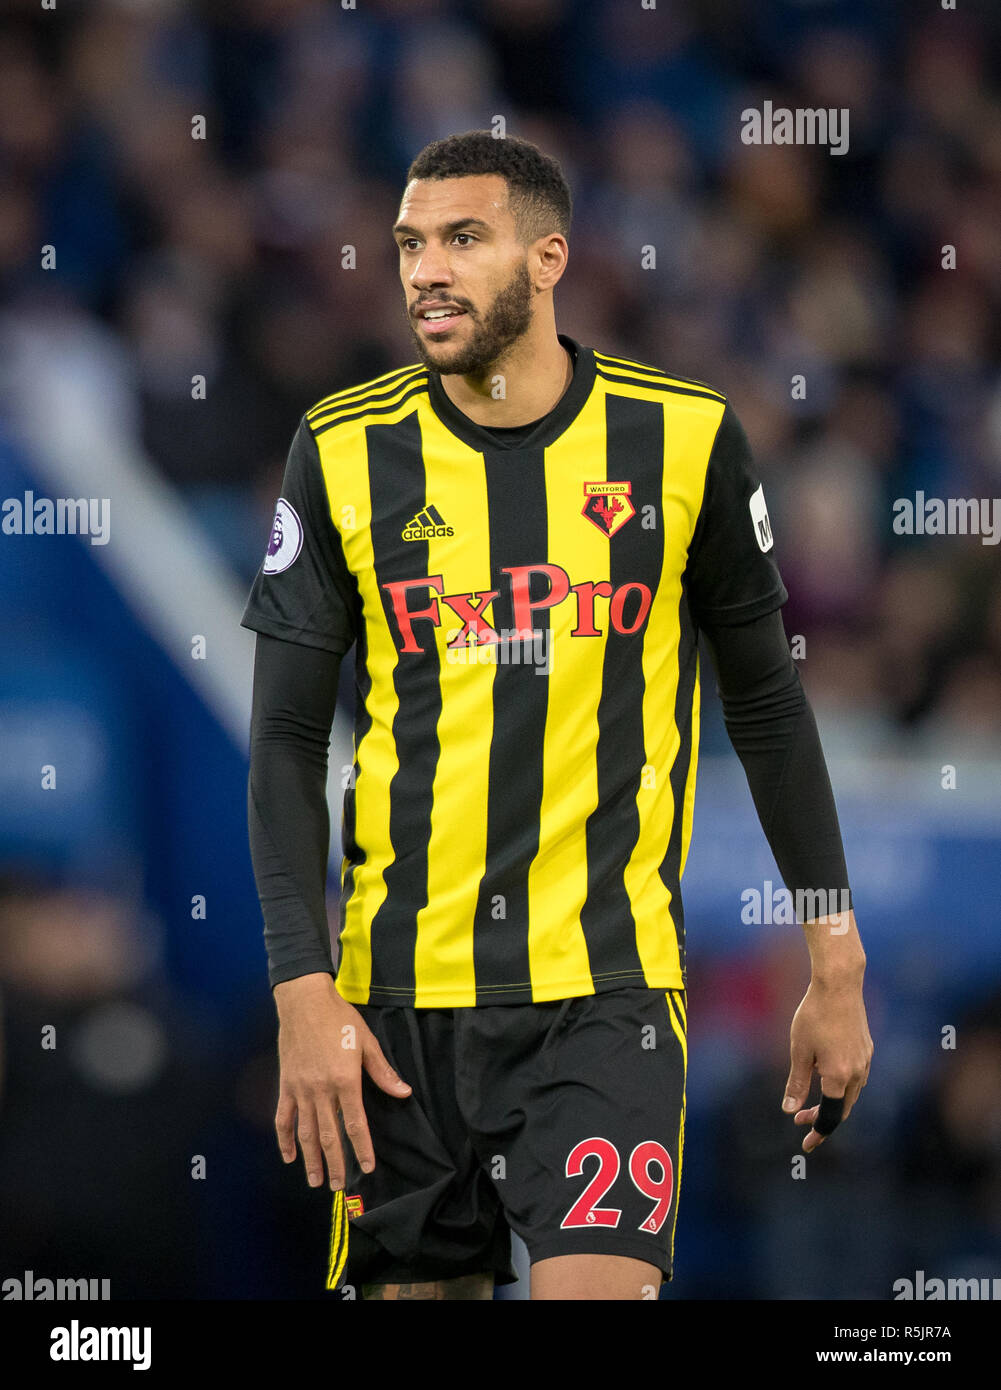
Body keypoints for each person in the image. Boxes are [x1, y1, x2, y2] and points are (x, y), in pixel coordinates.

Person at [241, 130, 873, 1301]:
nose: (426, 268)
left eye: (462, 239)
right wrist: (299, 987)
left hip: (605, 997)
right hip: (394, 1002)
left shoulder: (681, 438)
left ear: (546, 259)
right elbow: (282, 737)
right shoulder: (341, 447)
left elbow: (768, 704)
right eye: (409, 244)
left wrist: (831, 954)